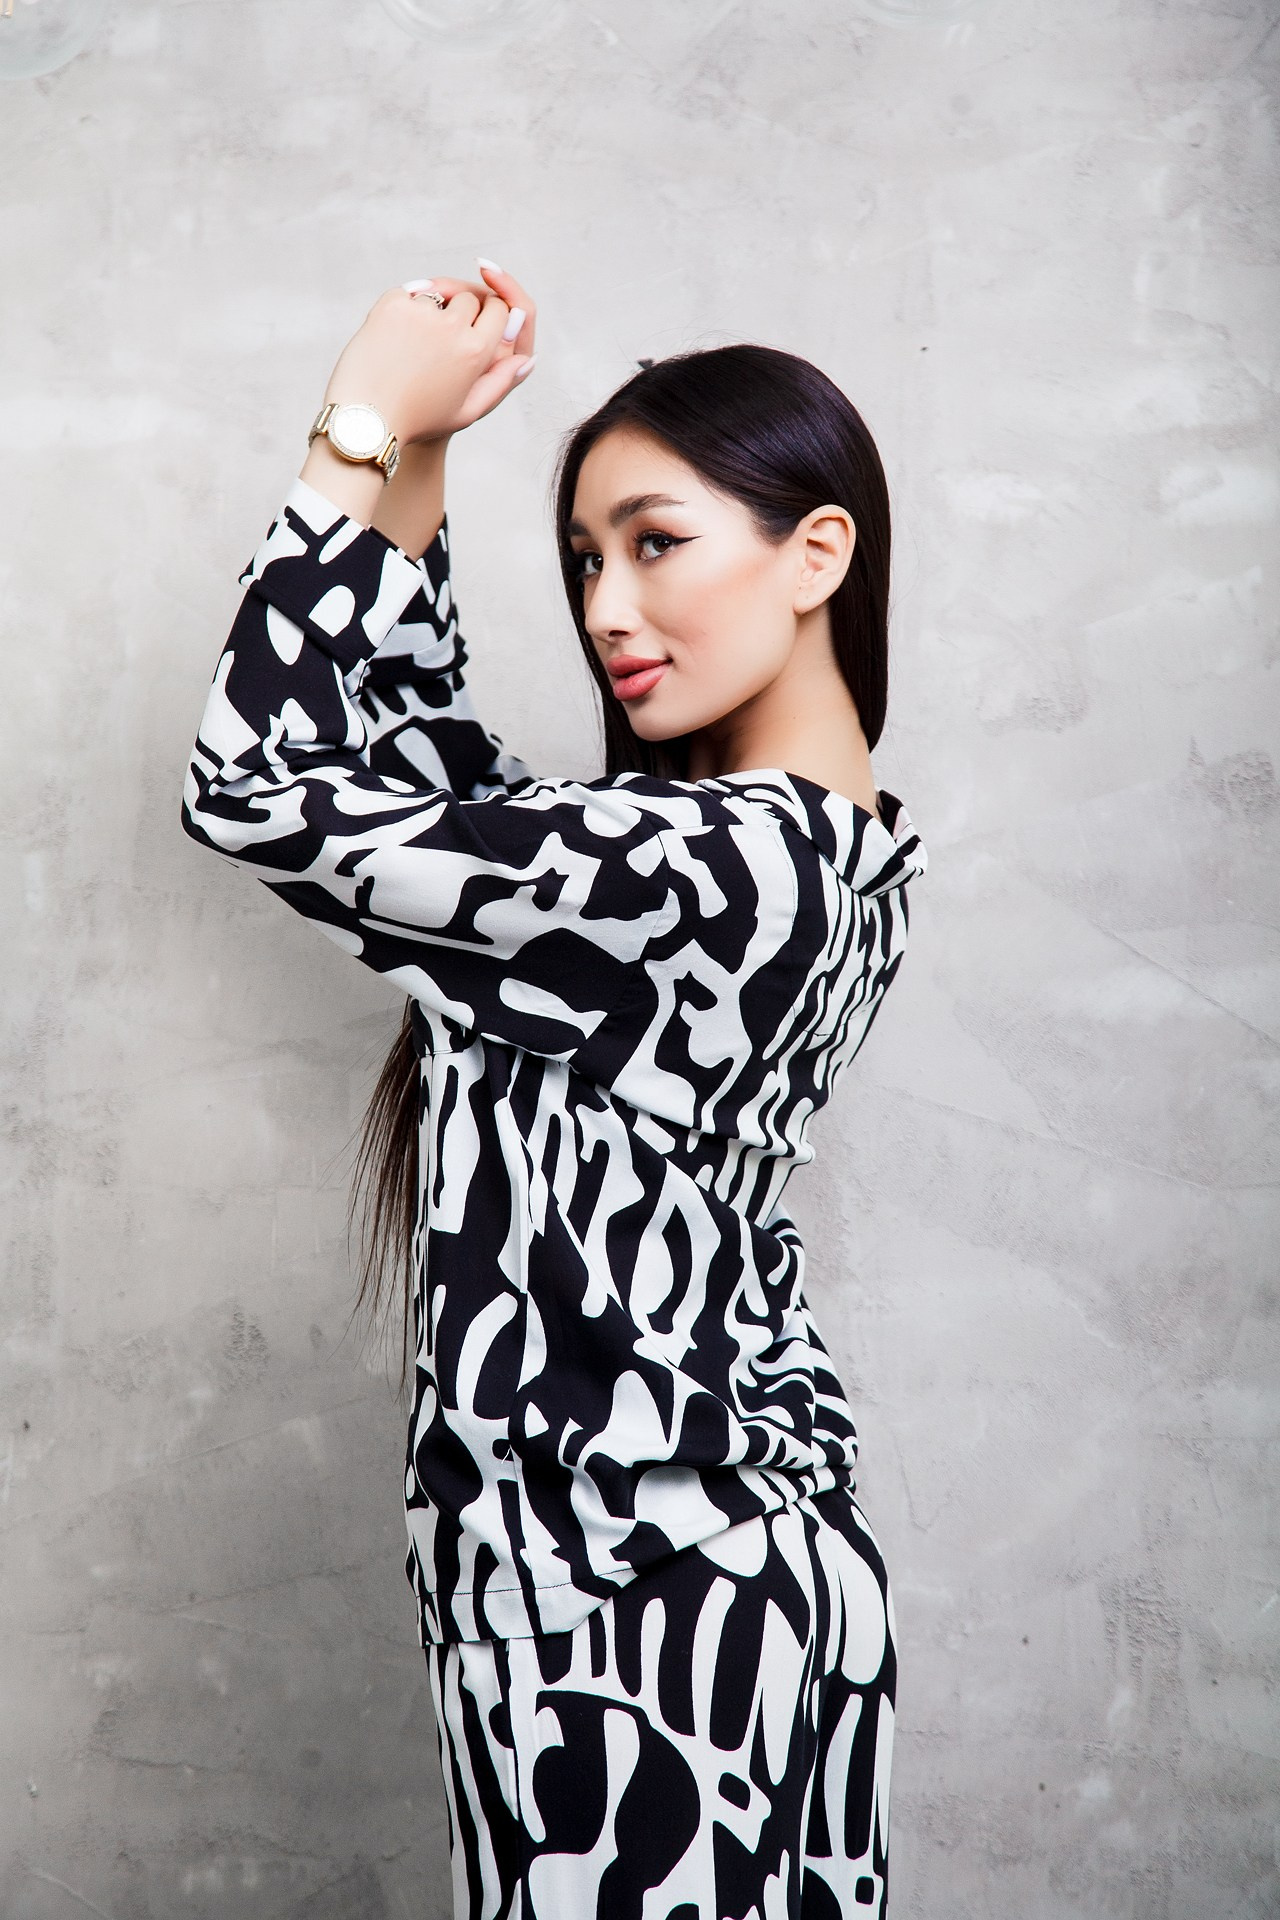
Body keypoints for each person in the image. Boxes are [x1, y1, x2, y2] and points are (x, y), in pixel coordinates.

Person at [180, 260, 928, 1919]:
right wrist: (429, 456)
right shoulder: (818, 859)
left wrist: (356, 428)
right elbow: (421, 773)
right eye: (586, 558)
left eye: (656, 544)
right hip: (699, 1574)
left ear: (817, 554)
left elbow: (257, 784)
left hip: (638, 1612)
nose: (605, 607)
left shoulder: (708, 867)